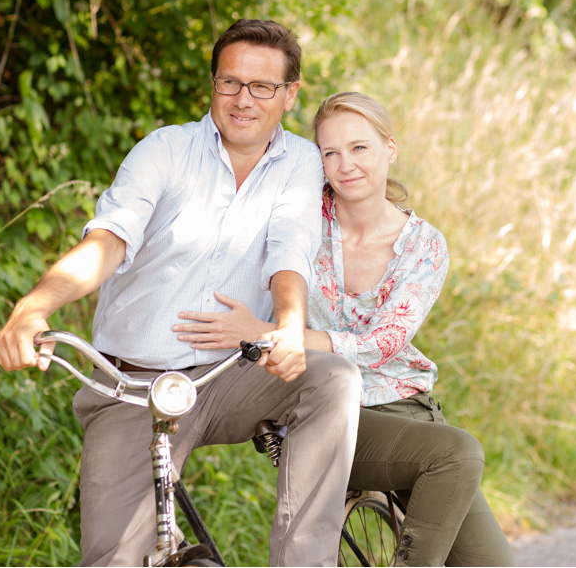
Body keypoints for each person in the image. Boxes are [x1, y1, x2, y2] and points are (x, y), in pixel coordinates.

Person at [0, 20, 362, 567]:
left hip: (232, 375)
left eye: (262, 87)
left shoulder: (301, 161)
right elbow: (109, 240)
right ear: (212, 85)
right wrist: (34, 308)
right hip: (134, 384)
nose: (243, 100)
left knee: (332, 378)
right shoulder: (166, 149)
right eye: (230, 83)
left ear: (289, 95)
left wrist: (287, 323)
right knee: (112, 559)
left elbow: (290, 247)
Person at [174, 92, 516, 566]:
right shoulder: (302, 219)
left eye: (359, 148)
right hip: (326, 410)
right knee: (458, 453)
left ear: (389, 149)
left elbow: (383, 344)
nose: (344, 164)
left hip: (407, 410)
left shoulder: (424, 246)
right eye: (329, 153)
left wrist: (276, 334)